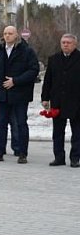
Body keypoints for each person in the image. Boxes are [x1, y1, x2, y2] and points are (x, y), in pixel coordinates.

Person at [0, 26, 40, 164]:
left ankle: (22, 153)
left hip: (20, 94)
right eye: (5, 33)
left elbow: (33, 70)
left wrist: (15, 81)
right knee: (1, 123)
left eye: (10, 33)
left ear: (16, 35)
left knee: (21, 123)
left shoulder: (26, 51)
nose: (7, 36)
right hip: (2, 94)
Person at [40, 33, 80, 167]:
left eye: (68, 42)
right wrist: (45, 98)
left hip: (76, 102)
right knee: (57, 132)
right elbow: (48, 80)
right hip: (58, 101)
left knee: (77, 133)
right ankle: (59, 157)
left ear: (75, 44)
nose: (66, 45)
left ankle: (75, 158)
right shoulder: (54, 59)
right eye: (63, 42)